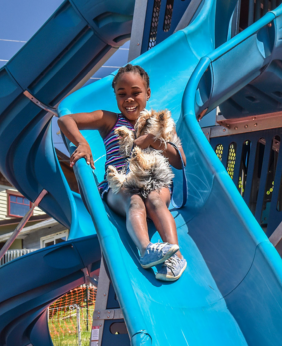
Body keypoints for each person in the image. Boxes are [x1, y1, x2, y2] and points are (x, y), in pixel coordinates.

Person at [58, 64, 187, 281]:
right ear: (116, 96)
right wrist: (82, 142)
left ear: (148, 93)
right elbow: (65, 120)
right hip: (121, 184)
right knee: (134, 200)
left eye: (135, 93)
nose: (129, 99)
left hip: (154, 181)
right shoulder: (109, 120)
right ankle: (146, 250)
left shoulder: (160, 124)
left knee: (155, 199)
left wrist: (154, 141)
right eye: (122, 94)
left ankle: (176, 255)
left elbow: (180, 160)